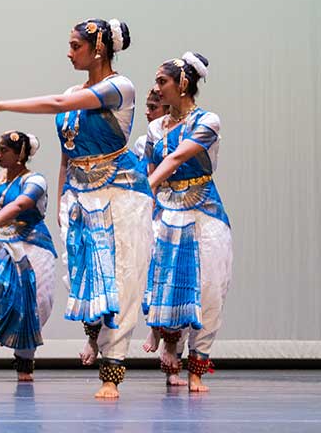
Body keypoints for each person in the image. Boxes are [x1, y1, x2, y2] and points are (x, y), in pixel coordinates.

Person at [0, 18, 152, 400]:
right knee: (88, 279)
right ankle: (96, 342)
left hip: (118, 196)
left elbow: (59, 104)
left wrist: (0, 106)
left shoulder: (120, 87)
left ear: (98, 48)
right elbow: (68, 154)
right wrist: (65, 198)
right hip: (82, 201)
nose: (69, 52)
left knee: (119, 279)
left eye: (74, 45)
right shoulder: (76, 89)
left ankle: (112, 373)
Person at [142, 52, 231, 393]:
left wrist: (147, 187)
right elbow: (151, 169)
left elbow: (179, 156)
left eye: (162, 81)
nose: (156, 88)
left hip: (202, 211)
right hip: (165, 212)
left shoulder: (207, 121)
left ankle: (198, 367)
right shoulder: (154, 128)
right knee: (165, 284)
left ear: (182, 84)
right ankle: (171, 359)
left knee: (207, 288)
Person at [0, 131, 57, 381]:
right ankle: (3, 324)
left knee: (36, 300)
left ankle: (25, 362)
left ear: (19, 155)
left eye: (4, 150)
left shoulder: (35, 180)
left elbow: (20, 204)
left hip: (32, 244)